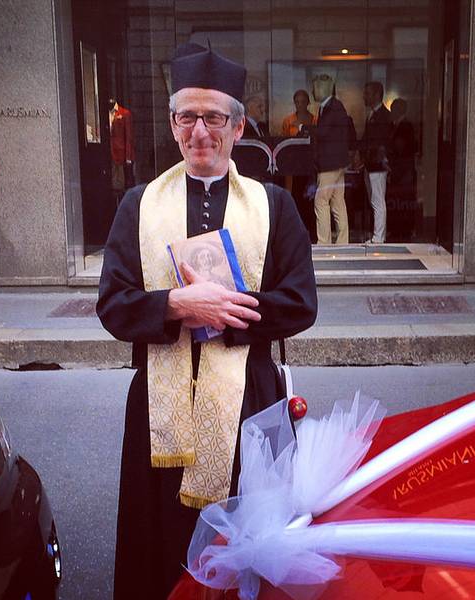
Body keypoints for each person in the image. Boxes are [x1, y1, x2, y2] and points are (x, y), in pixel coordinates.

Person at [97, 42, 317, 600]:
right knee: (160, 542)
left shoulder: (274, 205)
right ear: (173, 125)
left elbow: (300, 302)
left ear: (238, 127)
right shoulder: (138, 205)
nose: (200, 131)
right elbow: (114, 305)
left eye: (213, 117)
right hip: (159, 405)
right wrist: (177, 305)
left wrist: (230, 311)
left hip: (249, 400)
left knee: (243, 539)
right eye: (187, 117)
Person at [304, 74, 352, 245]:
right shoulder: (332, 106)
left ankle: (324, 242)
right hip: (337, 163)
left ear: (321, 89)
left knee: (321, 200)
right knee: (338, 202)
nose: (312, 92)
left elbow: (323, 132)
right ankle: (343, 242)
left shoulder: (333, 107)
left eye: (314, 88)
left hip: (330, 164)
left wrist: (304, 127)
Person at [281, 89, 318, 241]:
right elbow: (283, 143)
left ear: (308, 103)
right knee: (294, 200)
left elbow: (316, 141)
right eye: (297, 102)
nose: (300, 105)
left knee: (311, 201)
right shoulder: (288, 120)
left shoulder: (314, 120)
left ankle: (312, 234)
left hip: (310, 167)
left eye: (303, 102)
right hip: (293, 167)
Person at [359, 81, 392, 243]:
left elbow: (382, 142)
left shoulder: (383, 115)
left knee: (378, 200)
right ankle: (377, 235)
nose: (364, 97)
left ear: (377, 95)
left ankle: (379, 237)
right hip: (371, 164)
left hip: (377, 165)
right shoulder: (372, 114)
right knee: (375, 200)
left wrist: (378, 159)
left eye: (368, 93)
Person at [387, 98, 418, 241]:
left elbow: (401, 147)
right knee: (398, 200)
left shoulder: (405, 126)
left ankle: (404, 230)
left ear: (399, 110)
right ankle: (398, 229)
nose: (391, 112)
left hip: (404, 170)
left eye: (393, 109)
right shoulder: (397, 125)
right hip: (400, 170)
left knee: (403, 201)